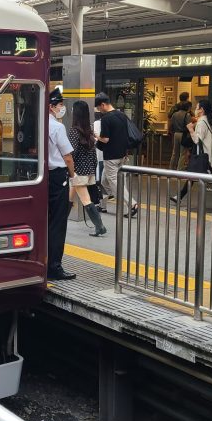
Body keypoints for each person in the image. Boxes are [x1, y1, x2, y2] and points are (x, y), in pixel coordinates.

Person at [46, 88, 78, 280]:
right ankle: (55, 266)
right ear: (51, 107)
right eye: (60, 105)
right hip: (58, 178)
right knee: (58, 223)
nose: (62, 108)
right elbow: (67, 157)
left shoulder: (38, 124)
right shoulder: (57, 127)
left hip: (42, 177)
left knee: (45, 220)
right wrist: (73, 176)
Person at [171, 99, 212, 206]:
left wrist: (191, 129)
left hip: (205, 157)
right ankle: (180, 196)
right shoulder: (209, 121)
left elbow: (197, 140)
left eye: (197, 107)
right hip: (210, 154)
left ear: (202, 110)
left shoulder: (201, 122)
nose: (195, 110)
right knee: (195, 177)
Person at [94, 94, 138, 217]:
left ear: (103, 105)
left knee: (114, 183)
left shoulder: (106, 119)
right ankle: (102, 205)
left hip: (111, 157)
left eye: (99, 107)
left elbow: (105, 139)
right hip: (122, 155)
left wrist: (96, 135)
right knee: (104, 181)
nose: (99, 110)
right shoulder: (122, 115)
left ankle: (132, 204)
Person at [67, 100, 106, 237]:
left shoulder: (73, 131)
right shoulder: (89, 129)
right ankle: (60, 222)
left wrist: (70, 169)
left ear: (76, 113)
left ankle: (99, 226)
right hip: (89, 170)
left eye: (73, 109)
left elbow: (70, 153)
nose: (71, 111)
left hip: (78, 171)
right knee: (69, 198)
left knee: (85, 200)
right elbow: (93, 152)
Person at [168, 100, 193, 171]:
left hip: (176, 134)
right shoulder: (187, 115)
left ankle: (171, 167)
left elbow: (171, 124)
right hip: (183, 134)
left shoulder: (174, 114)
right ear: (188, 107)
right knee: (182, 153)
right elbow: (189, 125)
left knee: (174, 152)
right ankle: (179, 169)